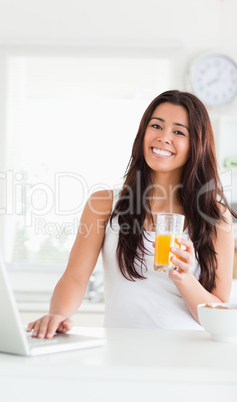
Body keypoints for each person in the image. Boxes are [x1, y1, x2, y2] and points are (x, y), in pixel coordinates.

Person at [27, 89, 237, 338]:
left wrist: (184, 279)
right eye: (157, 126)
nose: (163, 137)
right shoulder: (104, 204)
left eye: (178, 131)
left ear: (196, 145)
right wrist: (59, 314)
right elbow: (74, 277)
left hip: (189, 359)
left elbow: (218, 314)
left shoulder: (215, 215)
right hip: (121, 354)